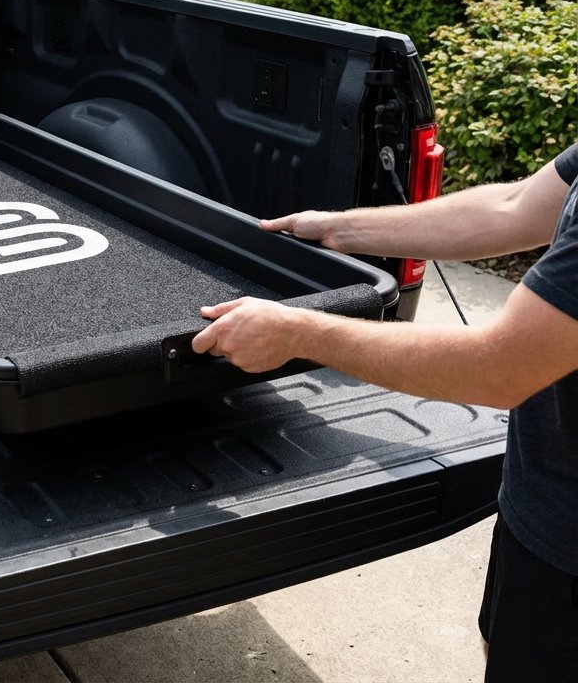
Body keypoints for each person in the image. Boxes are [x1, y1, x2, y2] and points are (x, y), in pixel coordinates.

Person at [191, 134, 578, 677]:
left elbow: (501, 367)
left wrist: (298, 332)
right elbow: (514, 206)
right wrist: (340, 228)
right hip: (541, 507)